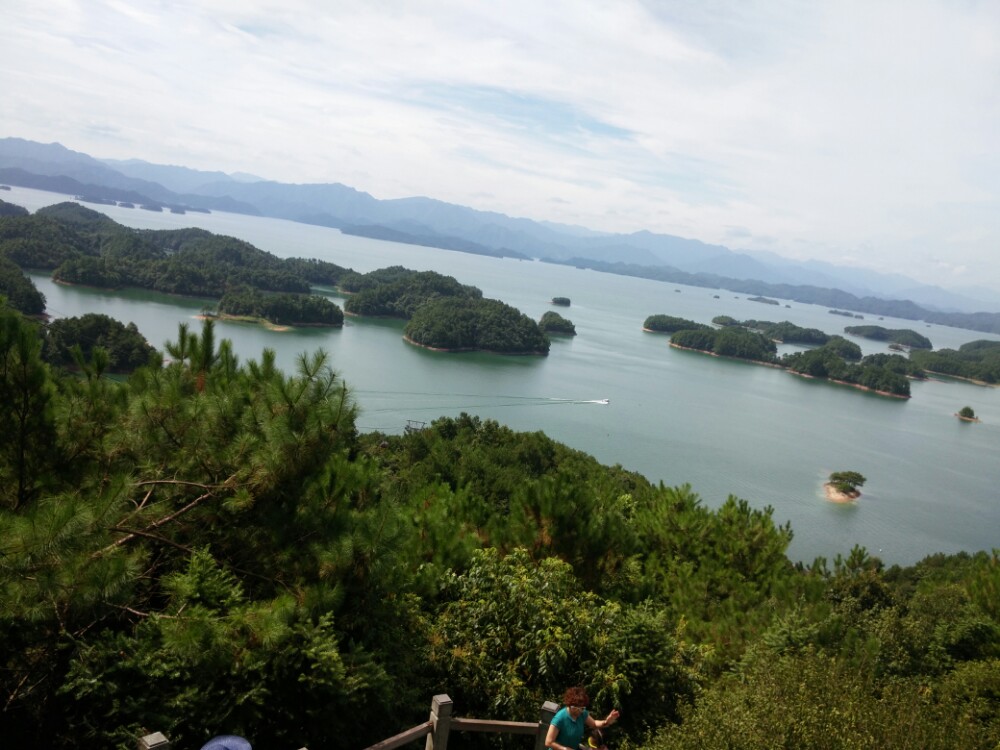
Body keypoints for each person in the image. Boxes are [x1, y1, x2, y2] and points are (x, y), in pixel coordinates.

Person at [545, 687, 619, 750]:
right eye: (577, 708)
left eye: (582, 708)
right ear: (570, 705)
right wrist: (564, 749)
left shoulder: (582, 713)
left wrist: (606, 721)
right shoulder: (559, 718)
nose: (580, 711)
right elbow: (548, 742)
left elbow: (594, 724)